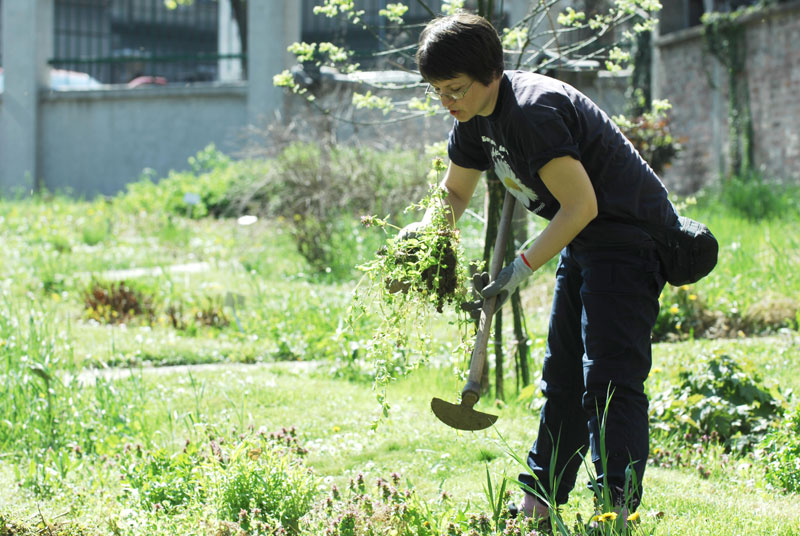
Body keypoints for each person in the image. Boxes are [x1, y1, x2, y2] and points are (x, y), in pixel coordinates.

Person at [411, 12, 679, 524]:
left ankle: (615, 511)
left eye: (455, 89)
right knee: (561, 372)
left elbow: (582, 205)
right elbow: (453, 192)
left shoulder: (532, 112)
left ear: (491, 73)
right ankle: (540, 499)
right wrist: (425, 238)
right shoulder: (473, 120)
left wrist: (521, 266)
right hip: (585, 241)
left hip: (630, 237)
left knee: (609, 377)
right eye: (438, 92)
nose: (447, 102)